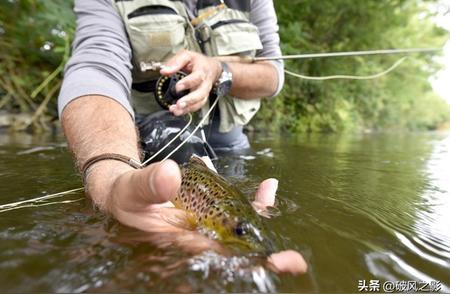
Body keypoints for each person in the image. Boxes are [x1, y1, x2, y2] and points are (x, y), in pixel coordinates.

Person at [58, 0, 306, 274]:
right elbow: (94, 67)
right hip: (148, 148)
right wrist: (110, 176)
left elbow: (273, 75)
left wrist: (219, 70)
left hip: (230, 144)